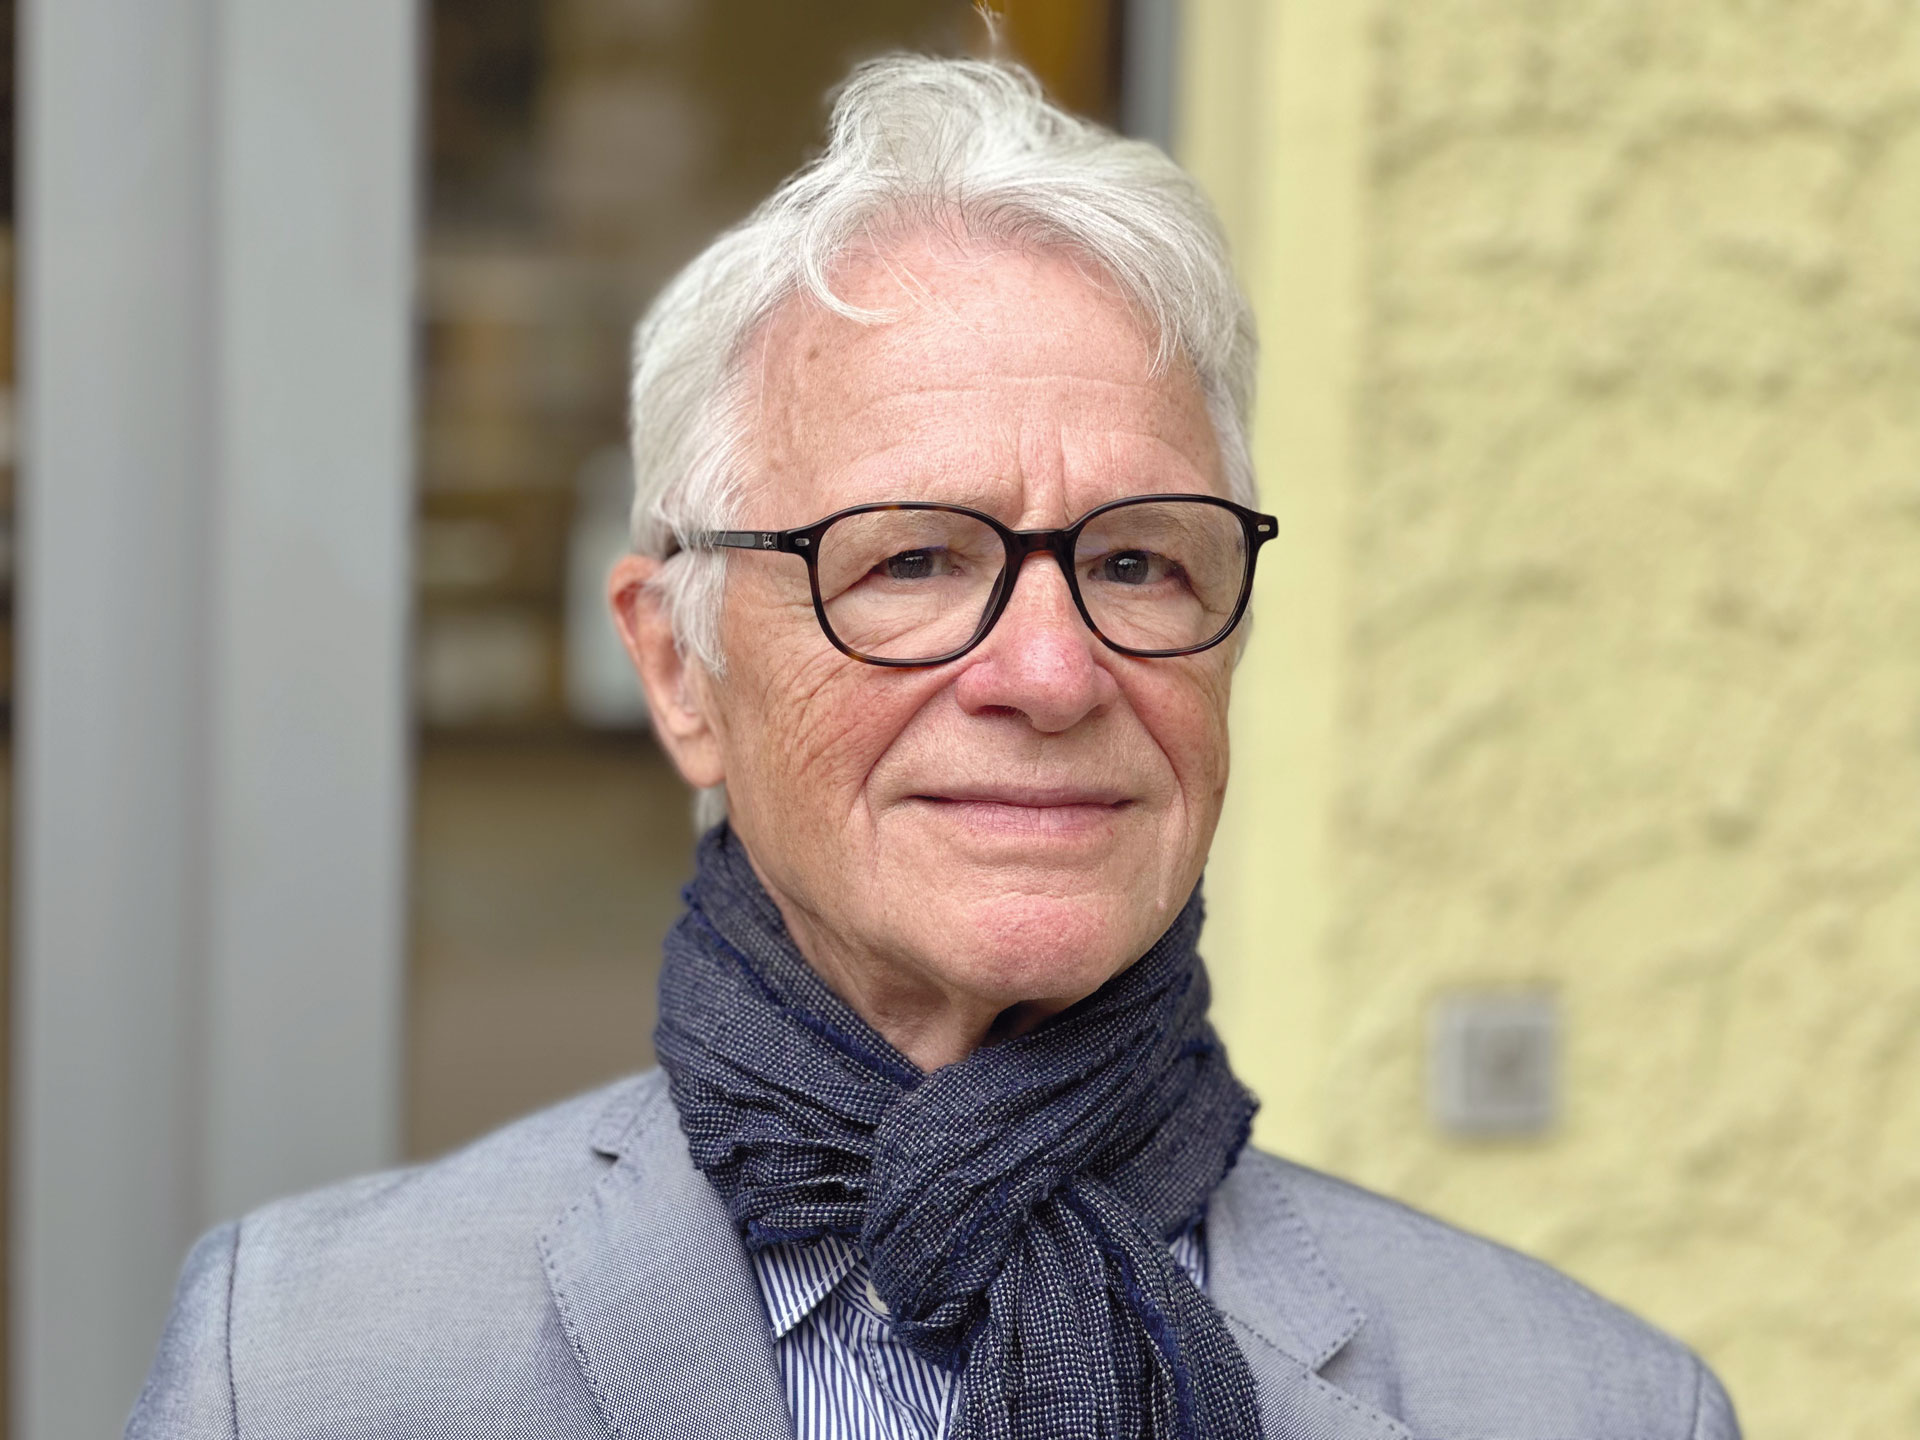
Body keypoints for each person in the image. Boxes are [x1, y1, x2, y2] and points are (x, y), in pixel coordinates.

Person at [128, 56, 1741, 1440]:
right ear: (678, 669)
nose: (1050, 672)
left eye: (1138, 561)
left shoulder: (1592, 1407)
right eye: (911, 560)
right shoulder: (300, 1369)